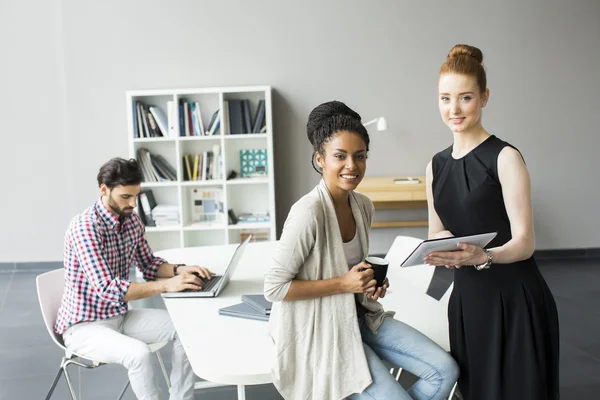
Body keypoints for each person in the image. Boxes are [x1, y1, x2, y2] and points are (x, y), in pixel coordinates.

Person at [264, 101, 459, 400]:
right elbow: (274, 287)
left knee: (445, 370)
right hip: (322, 331)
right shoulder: (307, 212)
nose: (351, 166)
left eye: (360, 156)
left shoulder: (363, 205)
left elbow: (348, 266)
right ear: (320, 159)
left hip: (361, 317)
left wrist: (369, 282)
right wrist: (344, 284)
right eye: (339, 156)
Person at [425, 44, 560, 400]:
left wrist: (483, 257)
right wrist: (442, 246)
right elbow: (437, 230)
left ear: (484, 97)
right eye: (445, 98)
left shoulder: (505, 157)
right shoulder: (435, 165)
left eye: (465, 97)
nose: (453, 109)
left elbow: (525, 241)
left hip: (514, 299)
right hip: (468, 302)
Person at [55, 158, 214, 400]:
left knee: (186, 330)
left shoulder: (131, 221)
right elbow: (108, 289)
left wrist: (180, 270)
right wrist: (167, 285)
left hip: (120, 316)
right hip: (83, 327)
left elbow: (149, 264)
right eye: (126, 197)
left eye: (136, 196)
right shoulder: (84, 227)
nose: (133, 203)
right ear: (104, 190)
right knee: (138, 354)